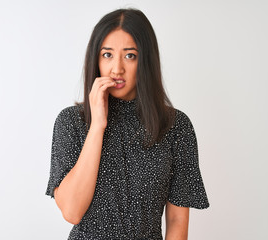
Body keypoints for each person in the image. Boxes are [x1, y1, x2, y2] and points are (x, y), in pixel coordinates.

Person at [45, 8, 209, 240]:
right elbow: (72, 211)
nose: (117, 68)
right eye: (107, 55)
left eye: (130, 55)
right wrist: (97, 126)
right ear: (96, 59)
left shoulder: (176, 126)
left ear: (146, 60)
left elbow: (176, 220)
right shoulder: (72, 122)